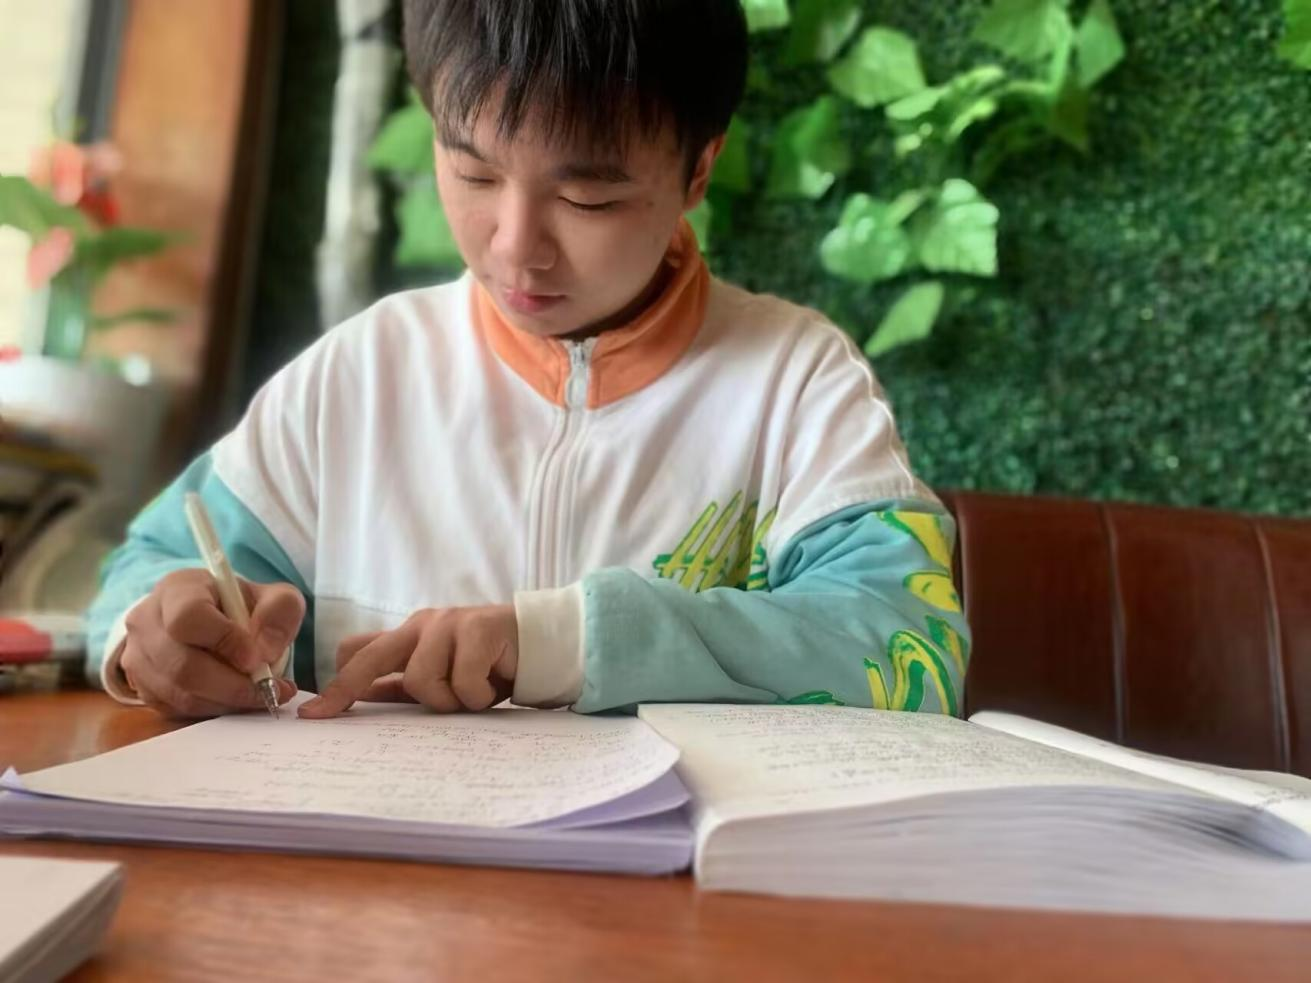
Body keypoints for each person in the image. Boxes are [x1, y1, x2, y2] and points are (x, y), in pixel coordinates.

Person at [86, 0, 971, 720]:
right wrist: (153, 634)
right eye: (473, 173)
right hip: (380, 871)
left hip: (677, 881)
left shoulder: (793, 382)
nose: (516, 248)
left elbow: (907, 642)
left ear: (699, 169)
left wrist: (564, 640)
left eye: (586, 197)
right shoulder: (360, 374)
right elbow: (155, 563)